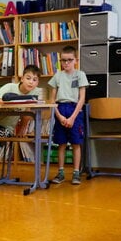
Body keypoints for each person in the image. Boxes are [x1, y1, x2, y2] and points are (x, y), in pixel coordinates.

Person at [0, 64, 43, 186]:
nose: (31, 82)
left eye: (35, 80)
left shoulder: (35, 94)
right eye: (28, 78)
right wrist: (6, 101)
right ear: (22, 78)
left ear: (38, 82)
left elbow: (28, 113)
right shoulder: (10, 87)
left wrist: (22, 128)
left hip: (6, 128)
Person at [48, 45, 88, 185]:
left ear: (75, 60)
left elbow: (82, 98)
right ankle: (60, 172)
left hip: (75, 110)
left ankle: (76, 173)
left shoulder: (80, 75)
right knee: (61, 144)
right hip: (60, 109)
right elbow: (52, 99)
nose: (66, 63)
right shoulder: (57, 76)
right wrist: (59, 116)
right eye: (63, 60)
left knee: (76, 143)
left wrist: (72, 117)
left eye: (69, 60)